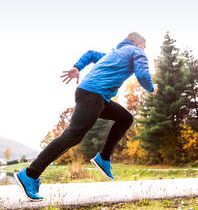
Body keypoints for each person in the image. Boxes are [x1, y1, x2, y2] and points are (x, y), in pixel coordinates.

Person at [14, 32, 156, 201]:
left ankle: (103, 158)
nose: (144, 50)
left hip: (93, 95)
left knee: (125, 118)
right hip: (93, 96)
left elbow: (90, 54)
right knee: (72, 136)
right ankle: (30, 174)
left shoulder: (112, 55)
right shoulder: (136, 51)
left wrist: (77, 67)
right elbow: (142, 75)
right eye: (144, 46)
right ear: (138, 43)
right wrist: (151, 88)